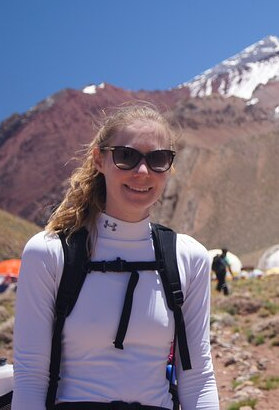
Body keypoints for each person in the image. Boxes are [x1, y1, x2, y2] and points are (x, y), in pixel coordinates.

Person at [13, 103, 220, 409]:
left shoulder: (189, 257)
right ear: (100, 159)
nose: (142, 171)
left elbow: (198, 376)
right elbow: (30, 376)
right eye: (126, 156)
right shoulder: (49, 253)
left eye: (158, 159)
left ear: (169, 168)